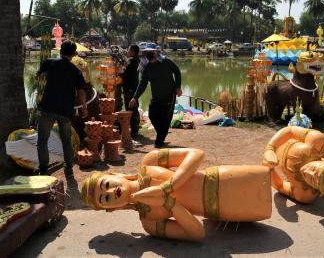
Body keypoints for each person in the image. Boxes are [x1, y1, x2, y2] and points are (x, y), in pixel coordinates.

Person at [81, 148, 272, 241]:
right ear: (112, 208)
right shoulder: (150, 223)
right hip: (224, 209)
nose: (110, 192)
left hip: (225, 179)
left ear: (114, 174)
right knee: (260, 205)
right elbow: (197, 234)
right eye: (105, 199)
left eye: (106, 184)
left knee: (263, 179)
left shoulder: (150, 162)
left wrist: (168, 186)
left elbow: (196, 154)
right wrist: (170, 204)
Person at [36, 40, 88, 178]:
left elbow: (38, 73)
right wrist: (84, 107)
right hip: (65, 111)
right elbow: (82, 91)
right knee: (66, 141)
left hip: (48, 108)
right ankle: (69, 170)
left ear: (60, 51)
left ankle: (43, 171)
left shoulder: (50, 63)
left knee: (42, 141)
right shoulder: (76, 71)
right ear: (74, 54)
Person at [263, 126, 324, 204]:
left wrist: (269, 169)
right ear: (322, 162)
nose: (307, 172)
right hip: (302, 144)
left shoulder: (304, 195)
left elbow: (280, 186)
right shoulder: (316, 140)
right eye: (314, 170)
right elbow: (290, 129)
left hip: (286, 163)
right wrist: (270, 148)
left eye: (312, 180)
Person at [129, 47, 182, 148]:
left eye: (151, 52)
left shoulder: (166, 62)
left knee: (165, 119)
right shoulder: (147, 67)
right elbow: (142, 84)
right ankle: (161, 135)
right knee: (152, 116)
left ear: (156, 52)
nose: (149, 54)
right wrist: (135, 97)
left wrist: (178, 87)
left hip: (169, 95)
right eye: (146, 52)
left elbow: (177, 71)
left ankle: (159, 141)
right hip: (156, 97)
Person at [121, 44, 141, 136]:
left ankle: (134, 130)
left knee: (131, 108)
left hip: (130, 88)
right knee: (134, 107)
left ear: (132, 51)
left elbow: (122, 70)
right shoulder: (136, 59)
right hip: (133, 87)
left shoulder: (132, 60)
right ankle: (134, 128)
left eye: (128, 50)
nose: (127, 51)